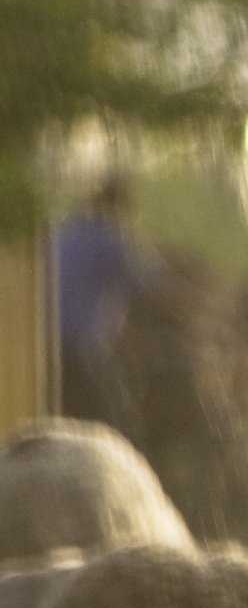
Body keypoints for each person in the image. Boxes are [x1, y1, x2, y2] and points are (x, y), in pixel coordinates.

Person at [49, 174, 143, 426]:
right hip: (77, 349)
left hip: (44, 345)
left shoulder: (66, 228)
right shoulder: (106, 237)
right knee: (114, 421)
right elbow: (143, 284)